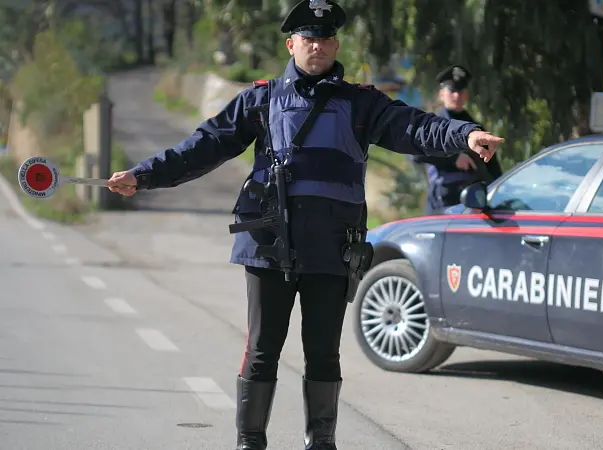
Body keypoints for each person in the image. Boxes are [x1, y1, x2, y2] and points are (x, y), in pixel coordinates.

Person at [106, 1, 504, 449]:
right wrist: (145, 175)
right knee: (261, 350)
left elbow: (415, 127)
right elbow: (205, 146)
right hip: (270, 245)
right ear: (290, 43)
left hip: (332, 249)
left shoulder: (360, 104)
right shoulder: (262, 99)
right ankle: (250, 442)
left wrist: (463, 135)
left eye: (326, 38)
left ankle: (322, 442)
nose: (317, 46)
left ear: (335, 44)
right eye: (308, 38)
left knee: (323, 354)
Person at [411, 64, 503, 214]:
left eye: (460, 91)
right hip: (443, 202)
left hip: (474, 201)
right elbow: (416, 153)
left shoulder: (475, 127)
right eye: (452, 91)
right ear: (442, 94)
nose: (456, 96)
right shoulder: (433, 123)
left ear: (466, 95)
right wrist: (453, 158)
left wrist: (501, 189)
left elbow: (492, 166)